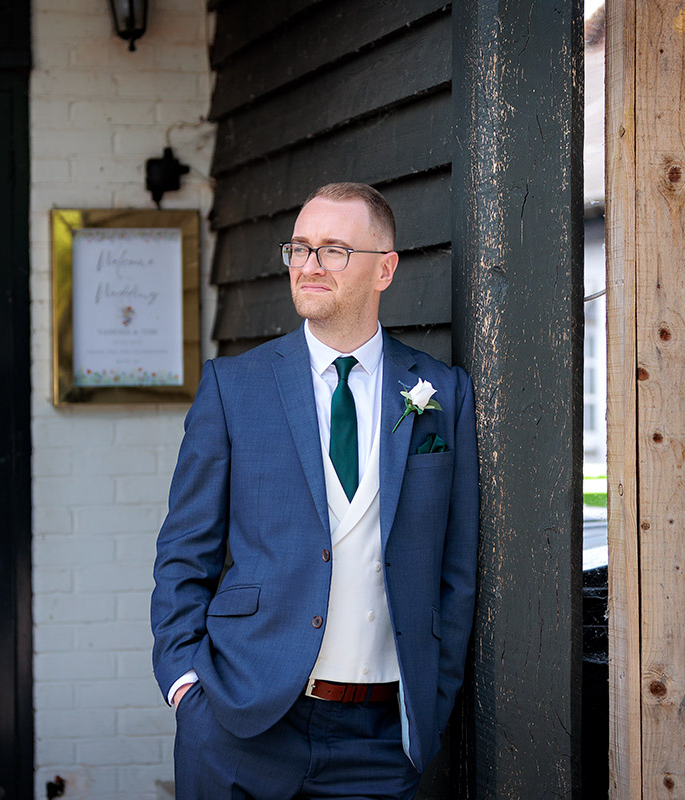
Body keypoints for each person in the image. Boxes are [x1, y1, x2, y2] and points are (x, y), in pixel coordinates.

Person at [151, 182, 478, 799]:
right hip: (239, 724)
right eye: (299, 248)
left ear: (385, 269)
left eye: (332, 250)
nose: (308, 265)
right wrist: (184, 687)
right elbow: (183, 552)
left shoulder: (442, 393)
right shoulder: (233, 387)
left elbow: (456, 570)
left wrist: (435, 695)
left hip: (379, 741)